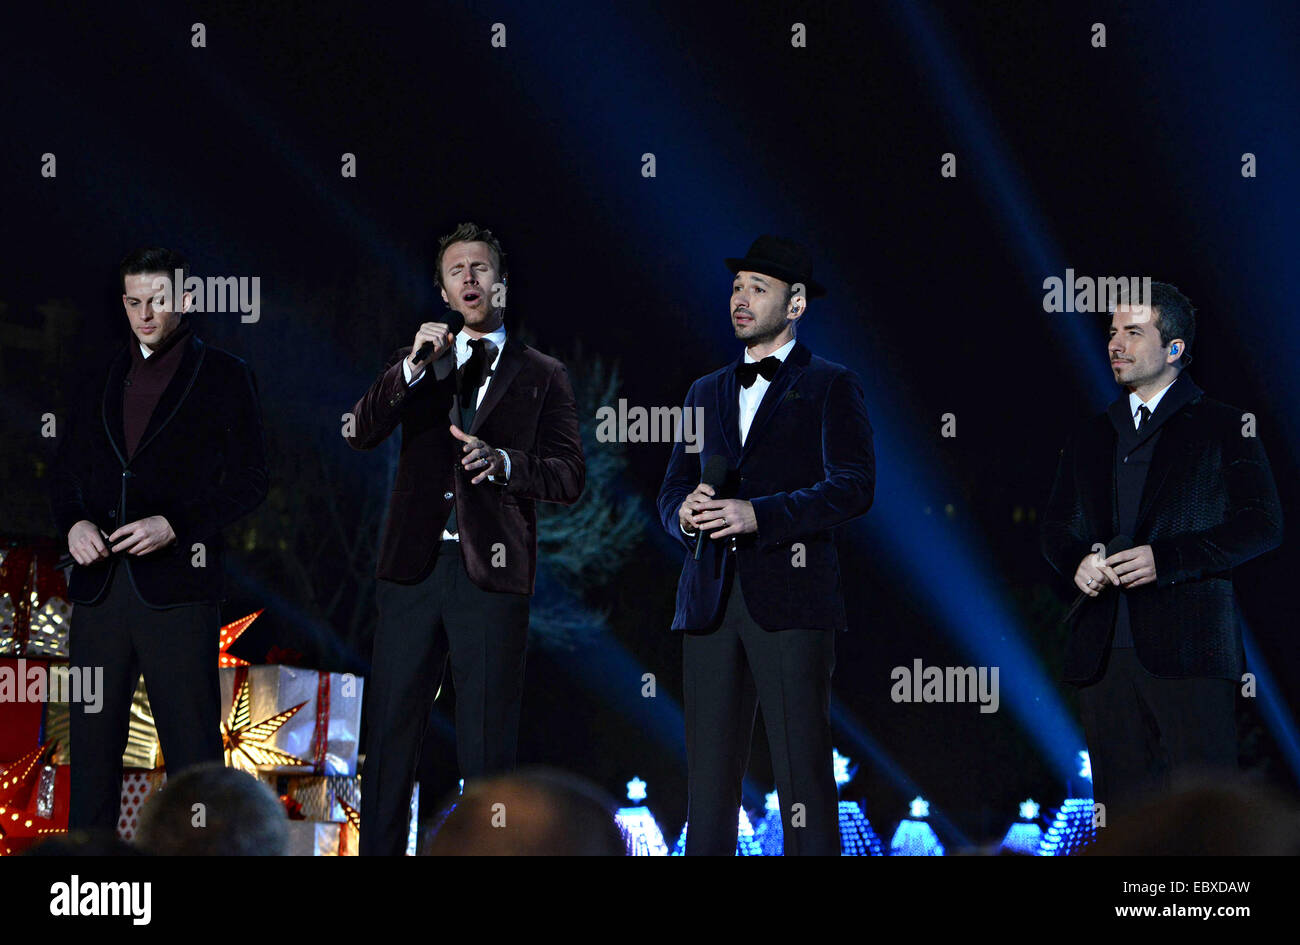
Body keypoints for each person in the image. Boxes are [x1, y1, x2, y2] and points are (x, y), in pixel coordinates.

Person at [346, 222, 585, 855]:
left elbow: (568, 476)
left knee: (487, 748)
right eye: (457, 271)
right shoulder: (418, 362)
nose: (470, 278)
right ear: (445, 291)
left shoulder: (544, 373)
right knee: (390, 736)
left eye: (481, 268)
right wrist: (410, 367)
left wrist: (504, 463)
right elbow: (359, 431)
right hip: (412, 570)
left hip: (493, 576)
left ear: (501, 283)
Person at [657, 235, 875, 855]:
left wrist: (759, 515)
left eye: (758, 288)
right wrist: (685, 515)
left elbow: (854, 486)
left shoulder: (832, 383)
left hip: (792, 599)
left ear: (796, 303)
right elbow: (670, 489)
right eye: (736, 287)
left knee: (803, 776)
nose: (740, 299)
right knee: (708, 786)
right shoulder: (703, 390)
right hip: (707, 600)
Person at [1041, 282, 1282, 820]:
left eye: (1133, 332)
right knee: (1121, 815)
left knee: (1202, 811)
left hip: (1192, 646)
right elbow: (1056, 526)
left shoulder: (1225, 425)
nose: (1115, 344)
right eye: (1112, 332)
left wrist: (1166, 560)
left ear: (1174, 348)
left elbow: (1263, 525)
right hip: (1103, 652)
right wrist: (1077, 561)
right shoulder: (1090, 434)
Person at [50, 247, 268, 831]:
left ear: (186, 300)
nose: (145, 314)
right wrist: (73, 523)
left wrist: (175, 525)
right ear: (123, 303)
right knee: (90, 753)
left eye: (158, 301)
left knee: (193, 755)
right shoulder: (97, 374)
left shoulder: (224, 375)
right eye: (134, 302)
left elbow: (251, 481)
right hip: (98, 592)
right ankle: (89, 873)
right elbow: (64, 471)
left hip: (179, 591)